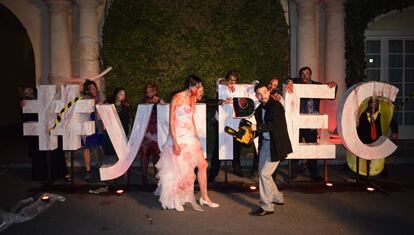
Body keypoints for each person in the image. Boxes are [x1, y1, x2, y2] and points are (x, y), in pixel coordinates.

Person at [155, 75, 219, 212]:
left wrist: (196, 138)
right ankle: (176, 198)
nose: (201, 89)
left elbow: (191, 119)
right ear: (191, 86)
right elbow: (171, 120)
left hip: (190, 137)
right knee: (180, 170)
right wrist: (175, 143)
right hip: (178, 137)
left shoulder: (193, 98)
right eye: (199, 86)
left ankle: (205, 198)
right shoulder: (177, 97)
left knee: (203, 164)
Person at [285, 66, 337, 181]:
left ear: (310, 75)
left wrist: (334, 85)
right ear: (300, 76)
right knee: (295, 147)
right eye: (302, 74)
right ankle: (292, 173)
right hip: (298, 121)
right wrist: (289, 82)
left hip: (312, 121)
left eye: (307, 73)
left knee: (312, 147)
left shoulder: (317, 85)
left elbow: (331, 92)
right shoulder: (296, 83)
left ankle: (314, 173)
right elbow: (287, 79)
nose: (305, 76)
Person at [250, 84, 292, 216]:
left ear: (268, 91)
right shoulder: (259, 109)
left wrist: (258, 127)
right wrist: (249, 134)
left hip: (276, 144)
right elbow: (259, 130)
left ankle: (267, 206)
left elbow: (274, 126)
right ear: (256, 96)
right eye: (258, 94)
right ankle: (277, 197)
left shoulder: (276, 106)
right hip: (265, 144)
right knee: (265, 174)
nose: (262, 95)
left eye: (264, 92)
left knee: (264, 174)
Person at [20, 86, 70, 183]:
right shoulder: (26, 104)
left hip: (51, 128)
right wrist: (23, 106)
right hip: (36, 132)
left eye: (30, 90)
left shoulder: (44, 100)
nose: (29, 93)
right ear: (23, 94)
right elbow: (25, 118)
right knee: (39, 155)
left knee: (56, 151)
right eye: (26, 92)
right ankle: (41, 175)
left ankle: (60, 174)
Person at [140, 82, 165, 184]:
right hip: (146, 132)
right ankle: (144, 177)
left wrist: (161, 104)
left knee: (156, 155)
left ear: (155, 91)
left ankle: (157, 176)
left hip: (156, 131)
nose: (148, 93)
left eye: (150, 91)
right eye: (147, 91)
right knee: (144, 155)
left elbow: (164, 116)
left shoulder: (160, 101)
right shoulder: (143, 101)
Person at [82, 80, 105, 182]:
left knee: (97, 148)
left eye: (94, 88)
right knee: (87, 148)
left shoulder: (99, 99)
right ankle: (88, 172)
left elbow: (102, 115)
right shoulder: (85, 99)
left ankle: (100, 169)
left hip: (97, 127)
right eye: (90, 88)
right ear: (87, 90)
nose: (93, 90)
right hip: (87, 125)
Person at [103, 87, 131, 164]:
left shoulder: (126, 106)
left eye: (124, 94)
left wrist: (127, 132)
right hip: (111, 132)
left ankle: (121, 171)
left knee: (121, 153)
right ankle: (110, 170)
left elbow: (127, 120)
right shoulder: (108, 104)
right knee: (111, 153)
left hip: (121, 131)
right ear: (116, 94)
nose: (123, 96)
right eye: (121, 94)